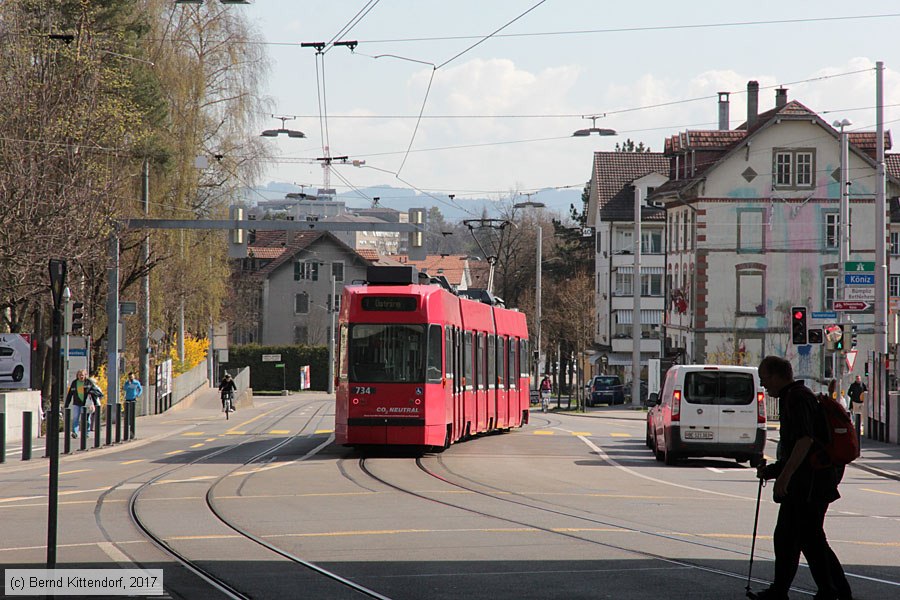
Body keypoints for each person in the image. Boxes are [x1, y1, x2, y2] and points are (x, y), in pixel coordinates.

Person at [754, 356, 852, 600]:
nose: (763, 384)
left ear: (777, 376)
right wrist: (774, 471)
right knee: (801, 538)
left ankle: (831, 591)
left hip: (810, 484)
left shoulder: (796, 398)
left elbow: (805, 440)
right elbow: (798, 449)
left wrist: (783, 477)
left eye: (764, 378)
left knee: (800, 538)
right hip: (812, 480)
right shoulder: (796, 396)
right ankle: (828, 590)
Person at [64, 370, 103, 439]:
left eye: (82, 375)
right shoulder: (74, 383)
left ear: (85, 375)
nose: (81, 376)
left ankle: (86, 433)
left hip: (86, 404)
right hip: (77, 403)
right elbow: (70, 394)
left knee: (86, 419)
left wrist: (94, 401)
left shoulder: (88, 382)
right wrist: (67, 404)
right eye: (79, 375)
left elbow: (96, 391)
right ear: (77, 375)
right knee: (75, 418)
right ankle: (75, 432)